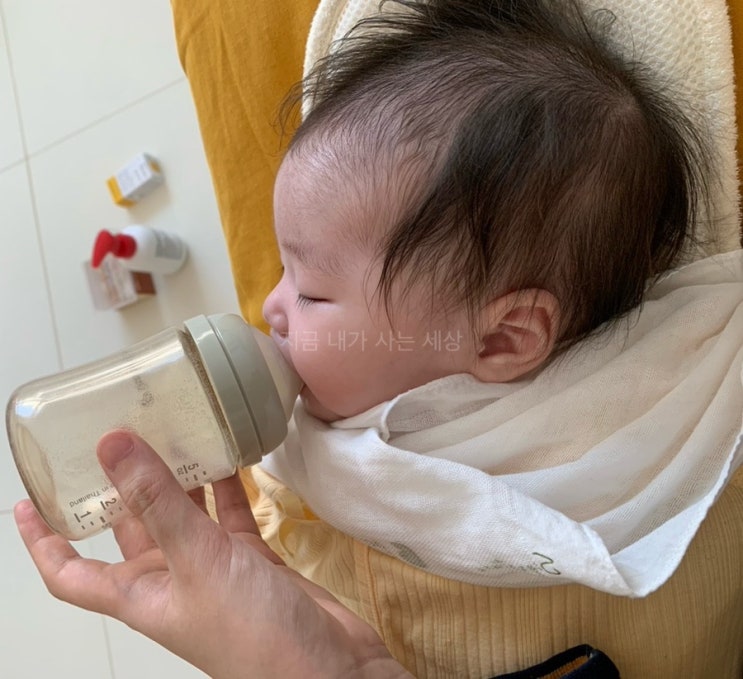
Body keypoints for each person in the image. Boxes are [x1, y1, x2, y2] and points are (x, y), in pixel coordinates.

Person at [16, 0, 743, 676]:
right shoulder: (330, 423)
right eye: (284, 272)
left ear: (501, 340)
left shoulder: (648, 426)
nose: (269, 306)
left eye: (310, 290)